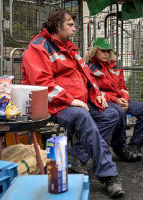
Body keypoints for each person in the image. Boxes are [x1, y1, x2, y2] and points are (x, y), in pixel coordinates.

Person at [21, 8, 124, 197]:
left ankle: (76, 156)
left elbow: (87, 76)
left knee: (112, 114)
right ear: (57, 26)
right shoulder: (38, 47)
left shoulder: (69, 47)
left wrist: (97, 94)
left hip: (76, 103)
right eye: (70, 25)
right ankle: (109, 176)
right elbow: (43, 86)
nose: (74, 29)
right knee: (83, 117)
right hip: (54, 106)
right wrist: (72, 100)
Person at [84, 38, 143, 161]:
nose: (106, 54)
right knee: (119, 111)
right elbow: (94, 92)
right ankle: (119, 147)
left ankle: (135, 145)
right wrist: (116, 100)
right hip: (104, 102)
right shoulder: (90, 68)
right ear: (95, 51)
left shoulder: (115, 66)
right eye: (103, 51)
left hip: (119, 100)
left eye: (108, 51)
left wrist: (125, 100)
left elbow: (123, 88)